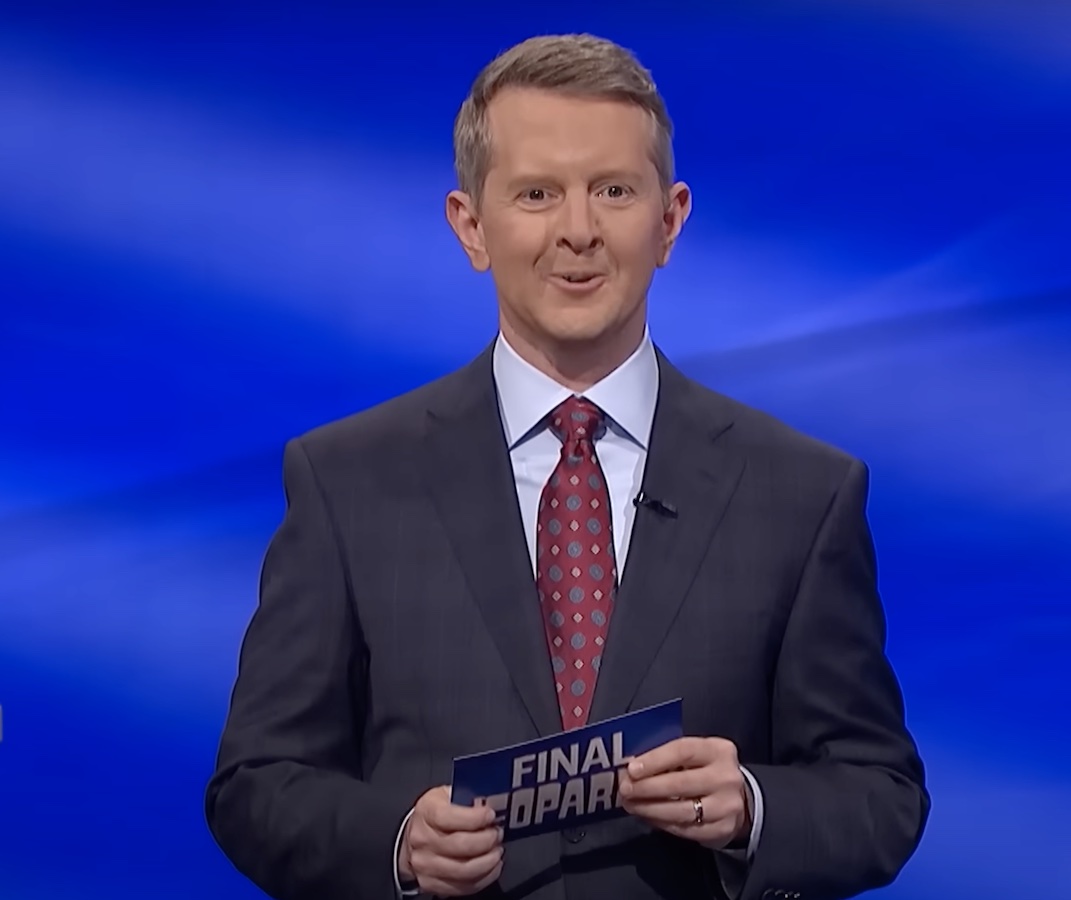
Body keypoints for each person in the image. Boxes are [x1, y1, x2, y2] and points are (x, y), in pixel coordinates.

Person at [204, 32, 929, 900]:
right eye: (537, 194)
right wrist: (397, 844)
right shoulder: (347, 481)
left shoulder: (800, 493)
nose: (578, 231)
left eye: (613, 191)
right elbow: (256, 783)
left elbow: (880, 794)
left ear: (670, 221)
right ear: (471, 226)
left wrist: (750, 804)